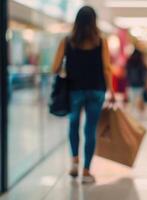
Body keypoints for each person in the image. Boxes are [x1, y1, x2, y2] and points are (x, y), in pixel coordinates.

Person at [51, 6, 114, 184]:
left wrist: (68, 64)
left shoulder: (67, 41)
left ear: (76, 21)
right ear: (94, 21)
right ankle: (86, 171)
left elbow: (54, 68)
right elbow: (107, 68)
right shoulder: (101, 42)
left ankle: (74, 161)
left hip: (74, 89)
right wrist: (111, 90)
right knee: (90, 130)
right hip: (96, 90)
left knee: (73, 125)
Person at [126, 48, 147, 114]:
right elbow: (144, 75)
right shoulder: (141, 64)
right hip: (139, 85)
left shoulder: (129, 62)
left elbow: (127, 74)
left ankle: (132, 116)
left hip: (131, 85)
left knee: (132, 102)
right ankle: (140, 115)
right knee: (139, 101)